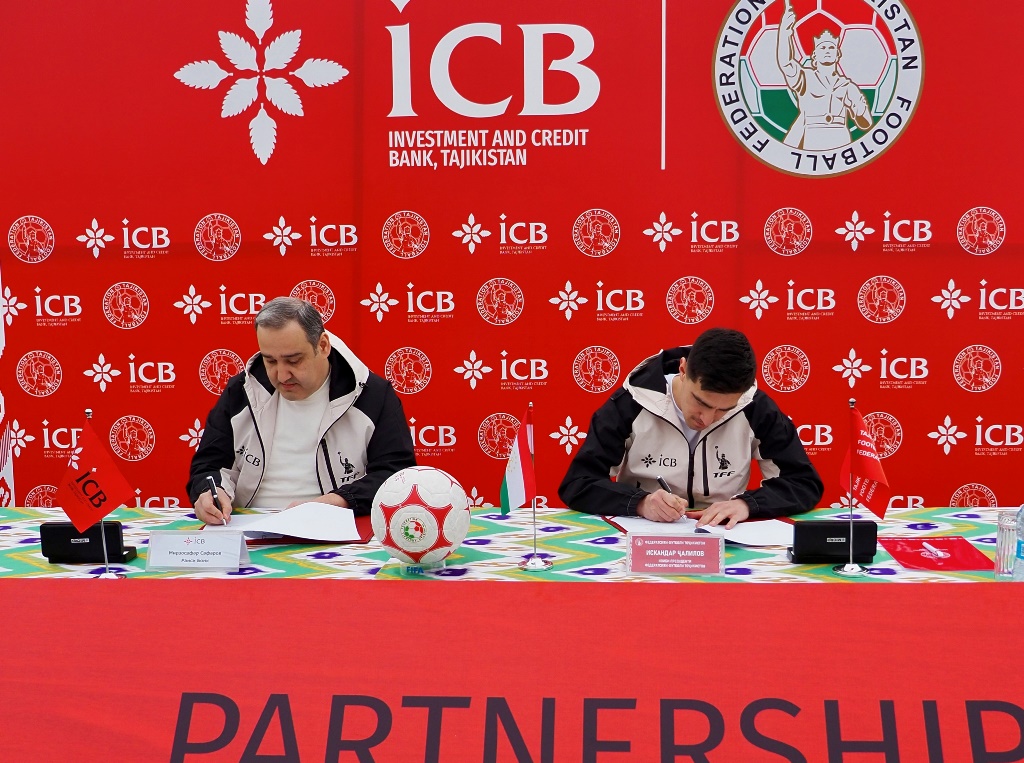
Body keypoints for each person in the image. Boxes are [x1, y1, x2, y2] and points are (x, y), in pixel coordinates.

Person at [559, 328, 823, 528]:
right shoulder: (631, 402)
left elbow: (803, 483)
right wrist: (640, 502)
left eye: (724, 409)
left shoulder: (755, 408)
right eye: (701, 402)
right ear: (683, 369)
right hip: (644, 531)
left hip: (725, 536)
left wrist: (747, 505)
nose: (707, 419)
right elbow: (579, 483)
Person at [187, 297, 416, 524]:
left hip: (337, 524)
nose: (282, 375)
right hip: (248, 527)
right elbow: (208, 466)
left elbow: (396, 474)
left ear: (323, 346)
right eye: (270, 361)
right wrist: (209, 492)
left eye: (294, 361)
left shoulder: (372, 394)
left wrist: (338, 501)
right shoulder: (242, 391)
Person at [776, 0, 871, 151]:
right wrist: (784, 31)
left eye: (831, 48)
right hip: (811, 136)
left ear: (837, 55)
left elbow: (866, 123)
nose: (827, 50)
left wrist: (858, 107)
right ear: (814, 55)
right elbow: (785, 63)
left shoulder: (847, 86)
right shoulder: (805, 78)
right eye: (823, 48)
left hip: (841, 138)